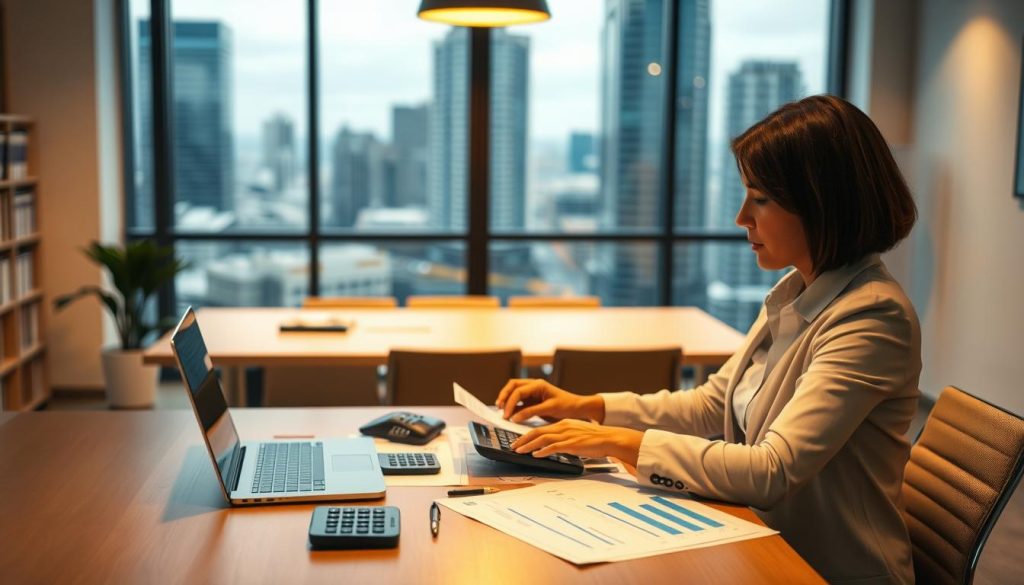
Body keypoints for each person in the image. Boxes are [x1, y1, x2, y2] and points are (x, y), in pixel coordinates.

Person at [497, 95, 920, 585]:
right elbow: (709, 406)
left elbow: (772, 470)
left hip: (825, 570)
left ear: (822, 203)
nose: (743, 218)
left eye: (760, 199)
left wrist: (618, 442)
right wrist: (589, 406)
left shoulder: (871, 316)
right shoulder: (798, 293)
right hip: (763, 543)